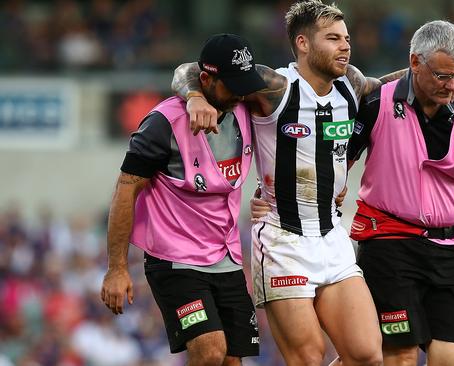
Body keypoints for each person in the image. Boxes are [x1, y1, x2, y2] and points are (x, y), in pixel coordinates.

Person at [170, 2, 423, 365]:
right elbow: (186, 71)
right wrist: (194, 96)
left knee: (368, 355)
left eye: (346, 38)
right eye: (333, 38)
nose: (345, 46)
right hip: (282, 238)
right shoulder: (273, 86)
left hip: (332, 234)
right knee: (308, 357)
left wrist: (428, 69)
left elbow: (382, 86)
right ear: (303, 43)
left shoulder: (350, 83)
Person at [341, 20, 454, 366]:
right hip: (389, 243)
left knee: (453, 358)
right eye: (443, 75)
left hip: (452, 249)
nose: (453, 85)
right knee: (400, 355)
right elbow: (341, 161)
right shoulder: (376, 103)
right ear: (415, 62)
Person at [100, 33, 267, 366]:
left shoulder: (246, 108)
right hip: (175, 260)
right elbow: (125, 189)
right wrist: (116, 268)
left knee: (233, 360)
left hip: (227, 256)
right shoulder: (162, 124)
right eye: (231, 84)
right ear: (206, 79)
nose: (239, 92)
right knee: (209, 349)